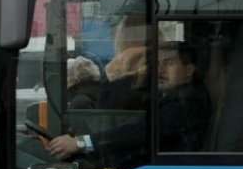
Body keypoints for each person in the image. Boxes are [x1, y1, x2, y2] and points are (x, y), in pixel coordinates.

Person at [47, 42, 211, 161]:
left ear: (189, 70)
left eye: (169, 62)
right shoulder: (167, 95)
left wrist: (81, 143)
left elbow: (141, 131)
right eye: (157, 63)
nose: (160, 70)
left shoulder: (188, 101)